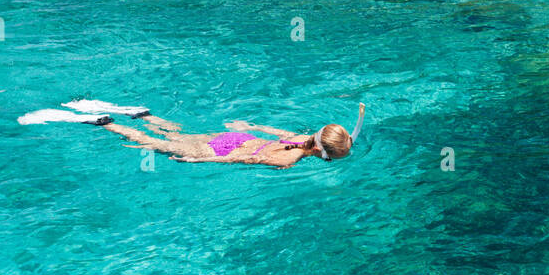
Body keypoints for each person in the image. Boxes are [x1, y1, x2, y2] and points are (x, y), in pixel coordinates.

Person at [21, 100, 365, 168]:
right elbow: (251, 158)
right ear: (326, 154)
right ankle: (104, 122)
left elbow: (268, 134)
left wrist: (251, 127)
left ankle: (143, 113)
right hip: (227, 150)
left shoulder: (297, 137)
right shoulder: (291, 158)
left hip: (233, 138)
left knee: (178, 133)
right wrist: (200, 160)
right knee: (155, 145)